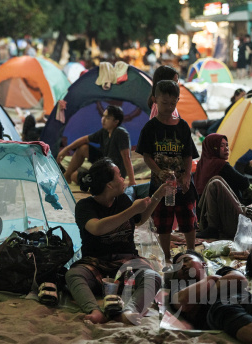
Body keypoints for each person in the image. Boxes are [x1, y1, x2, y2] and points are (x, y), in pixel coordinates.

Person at [65, 158, 168, 325]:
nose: (123, 178)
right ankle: (94, 311)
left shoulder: (123, 200)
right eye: (119, 175)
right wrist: (132, 210)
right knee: (73, 275)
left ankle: (130, 311)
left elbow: (139, 219)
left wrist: (158, 195)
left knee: (153, 276)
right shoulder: (85, 206)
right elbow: (97, 228)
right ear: (109, 185)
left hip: (127, 263)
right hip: (96, 263)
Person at [165, 251, 252, 344]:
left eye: (186, 260)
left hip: (247, 303)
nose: (183, 265)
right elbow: (183, 301)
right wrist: (211, 280)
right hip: (222, 316)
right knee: (223, 305)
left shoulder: (222, 271)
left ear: (203, 264)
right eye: (178, 266)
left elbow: (240, 280)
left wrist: (201, 292)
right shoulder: (179, 287)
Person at [137, 80, 199, 259]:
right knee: (162, 221)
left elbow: (188, 155)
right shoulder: (150, 127)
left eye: (173, 103)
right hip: (160, 186)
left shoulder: (182, 126)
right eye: (165, 103)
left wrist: (186, 176)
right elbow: (147, 156)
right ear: (155, 100)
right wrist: (158, 171)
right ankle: (166, 255)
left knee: (188, 219)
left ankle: (191, 252)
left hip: (183, 184)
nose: (169, 107)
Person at [57, 105, 136, 187]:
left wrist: (132, 181)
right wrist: (66, 149)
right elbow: (85, 139)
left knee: (76, 177)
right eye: (103, 116)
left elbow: (126, 157)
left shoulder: (121, 133)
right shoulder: (105, 131)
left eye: (108, 118)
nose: (103, 119)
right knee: (83, 148)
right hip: (104, 165)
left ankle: (73, 176)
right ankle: (67, 175)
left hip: (113, 172)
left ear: (116, 122)